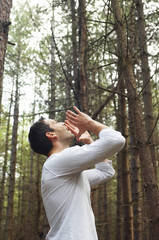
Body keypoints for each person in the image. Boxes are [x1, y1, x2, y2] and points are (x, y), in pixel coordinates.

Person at [28, 106, 125, 240]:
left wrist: (89, 141)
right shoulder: (57, 162)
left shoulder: (67, 174)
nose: (63, 123)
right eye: (56, 123)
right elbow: (116, 140)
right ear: (51, 134)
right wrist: (89, 123)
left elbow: (106, 172)